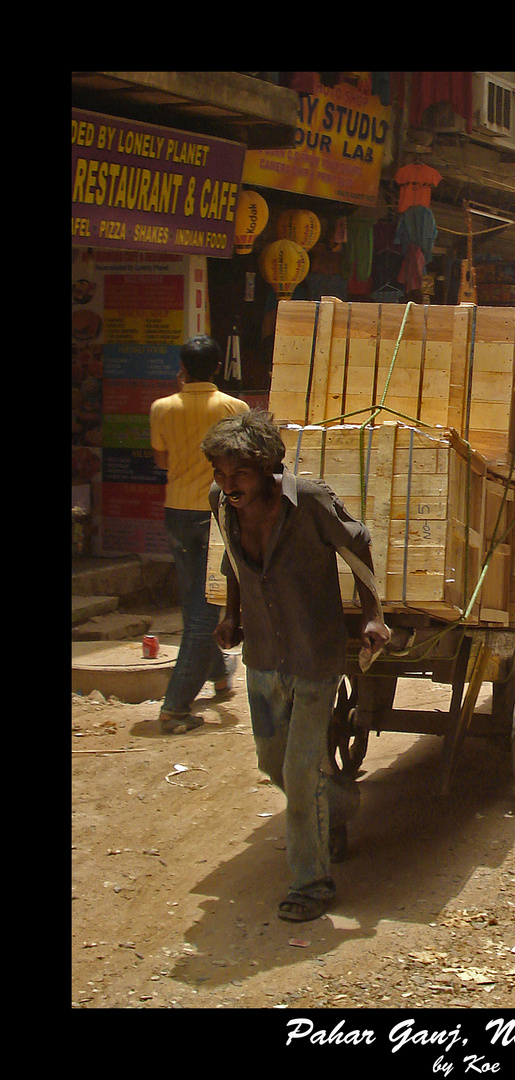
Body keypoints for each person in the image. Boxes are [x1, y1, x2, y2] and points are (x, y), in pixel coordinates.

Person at [201, 411, 391, 923]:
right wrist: (230, 614)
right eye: (220, 475)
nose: (228, 485)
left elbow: (358, 543)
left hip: (314, 657)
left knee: (300, 774)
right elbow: (234, 560)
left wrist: (373, 616)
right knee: (272, 764)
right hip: (262, 655)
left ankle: (311, 885)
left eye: (237, 474)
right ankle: (344, 806)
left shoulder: (307, 500)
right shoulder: (222, 504)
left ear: (265, 466)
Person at [150, 336, 249, 734]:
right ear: (216, 369)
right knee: (205, 611)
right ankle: (174, 707)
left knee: (195, 603)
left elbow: (161, 459)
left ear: (183, 368)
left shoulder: (163, 408)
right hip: (216, 514)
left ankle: (220, 674)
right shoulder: (234, 408)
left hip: (176, 512)